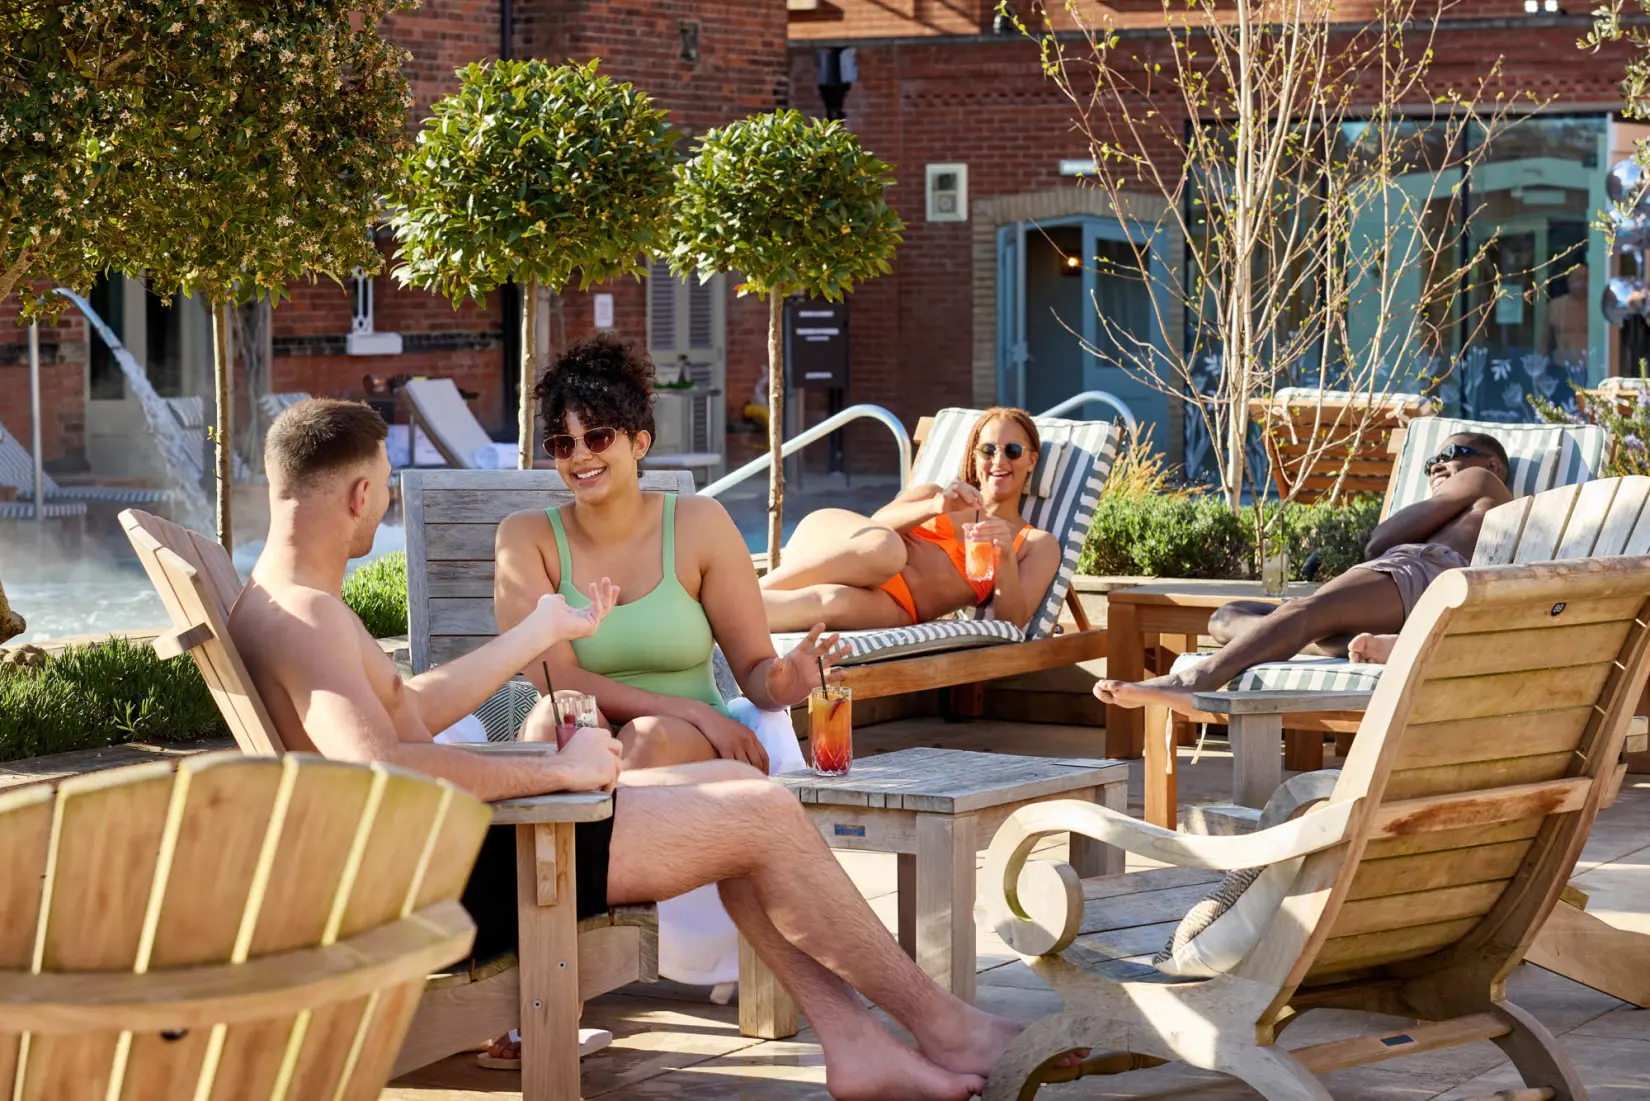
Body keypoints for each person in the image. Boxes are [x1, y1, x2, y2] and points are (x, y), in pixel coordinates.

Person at [231, 397, 1055, 1101]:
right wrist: (557, 770)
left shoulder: (283, 603)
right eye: (380, 497)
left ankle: (858, 1042)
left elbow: (407, 709)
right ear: (361, 491)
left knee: (738, 790)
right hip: (472, 873)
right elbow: (384, 767)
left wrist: (536, 633)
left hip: (446, 853)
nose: (383, 513)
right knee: (763, 812)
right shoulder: (308, 617)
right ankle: (941, 1026)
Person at [494, 334, 845, 773]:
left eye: (598, 437)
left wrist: (786, 682)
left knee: (649, 738)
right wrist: (692, 710)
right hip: (628, 723)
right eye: (564, 443)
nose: (580, 456)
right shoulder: (526, 538)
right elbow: (559, 680)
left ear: (639, 444)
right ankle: (577, 840)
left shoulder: (700, 525)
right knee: (557, 713)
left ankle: (598, 836)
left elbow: (755, 670)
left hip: (684, 739)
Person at [1093, 432, 1512, 715]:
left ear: (1491, 465)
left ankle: (1195, 681)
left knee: (1302, 612)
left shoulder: (1481, 481)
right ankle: (1385, 645)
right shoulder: (1462, 502)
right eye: (1432, 461)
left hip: (1424, 569)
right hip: (1408, 579)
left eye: (1450, 455)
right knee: (1226, 617)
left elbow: (1380, 541)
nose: (1437, 466)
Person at [760, 407, 1062, 632]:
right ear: (975, 458)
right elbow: (872, 529)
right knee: (886, 547)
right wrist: (934, 506)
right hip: (840, 549)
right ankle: (749, 591)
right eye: (988, 450)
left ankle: (723, 613)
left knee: (831, 601)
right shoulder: (935, 494)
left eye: (1012, 451)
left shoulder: (1035, 544)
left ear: (1031, 460)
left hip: (897, 606)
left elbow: (1012, 622)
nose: (999, 461)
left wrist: (1005, 557)